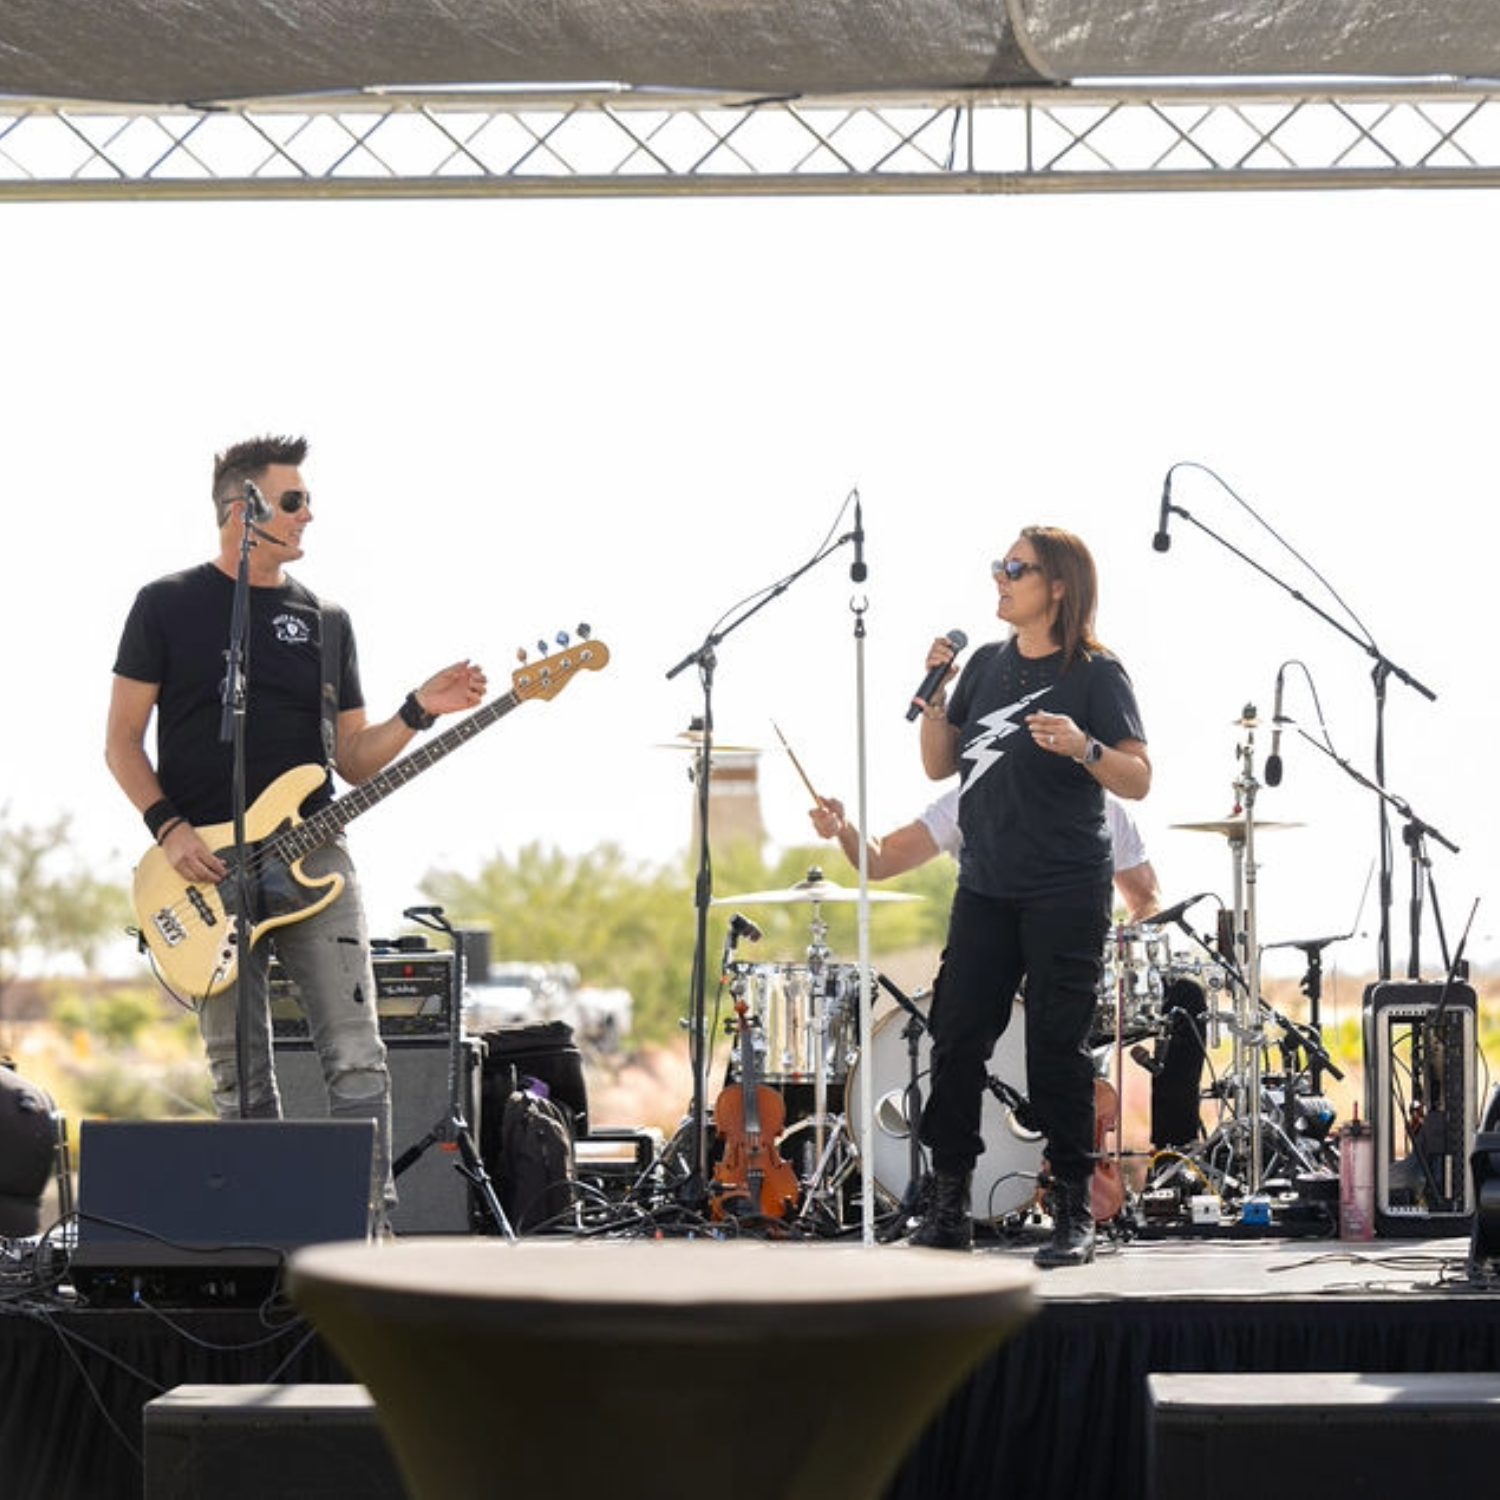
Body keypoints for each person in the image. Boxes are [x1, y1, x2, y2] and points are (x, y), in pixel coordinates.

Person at [105, 435, 486, 1228]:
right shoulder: (165, 604)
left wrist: (417, 711)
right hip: (203, 873)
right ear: (240, 510)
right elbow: (121, 743)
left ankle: (367, 1231)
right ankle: (262, 1233)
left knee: (356, 1055)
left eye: (307, 500)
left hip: (316, 862)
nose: (308, 514)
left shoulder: (326, 621)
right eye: (292, 501)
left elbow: (352, 759)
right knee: (238, 1072)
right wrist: (171, 831)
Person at [909, 525, 1150, 1266]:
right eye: (999, 565)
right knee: (956, 1039)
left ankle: (1074, 1210)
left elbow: (1138, 777)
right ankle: (949, 1203)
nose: (1000, 577)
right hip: (985, 884)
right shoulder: (985, 664)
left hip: (1065, 887)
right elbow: (938, 766)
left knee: (1055, 1048)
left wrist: (1085, 746)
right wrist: (936, 698)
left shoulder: (1096, 674)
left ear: (1058, 586)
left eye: (1016, 568)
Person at [809, 785, 1161, 922]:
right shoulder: (970, 799)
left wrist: (1122, 956)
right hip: (992, 961)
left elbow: (1146, 901)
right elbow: (880, 860)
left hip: (1074, 968)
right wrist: (844, 828)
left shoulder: (1108, 810)